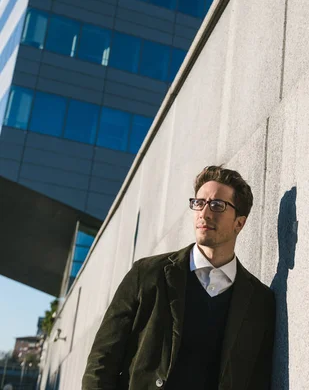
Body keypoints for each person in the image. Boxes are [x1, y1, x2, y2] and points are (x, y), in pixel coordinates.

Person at [82, 165, 275, 390]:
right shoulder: (146, 273)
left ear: (239, 223)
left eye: (217, 205)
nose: (204, 213)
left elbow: (258, 379)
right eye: (199, 203)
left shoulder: (260, 301)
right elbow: (101, 360)